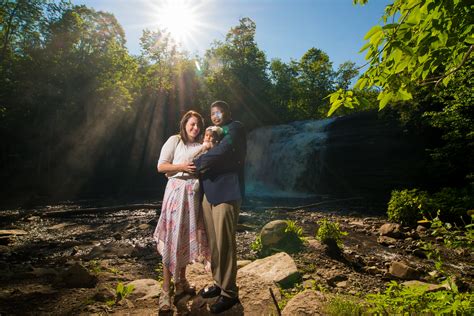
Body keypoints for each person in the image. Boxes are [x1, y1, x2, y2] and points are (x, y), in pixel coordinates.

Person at [153, 110, 210, 312]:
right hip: (176, 195)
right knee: (172, 240)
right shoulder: (175, 141)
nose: (195, 128)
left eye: (198, 125)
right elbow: (161, 167)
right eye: (192, 124)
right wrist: (183, 167)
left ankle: (181, 283)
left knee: (184, 238)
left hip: (193, 197)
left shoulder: (202, 146)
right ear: (185, 124)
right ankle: (165, 290)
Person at [193, 101, 247, 314]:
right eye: (212, 113)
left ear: (227, 112)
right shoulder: (210, 133)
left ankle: (229, 294)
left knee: (225, 243)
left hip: (227, 190)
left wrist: (195, 164)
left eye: (219, 112)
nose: (215, 116)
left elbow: (223, 151)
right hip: (209, 192)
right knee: (214, 242)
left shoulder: (235, 127)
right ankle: (219, 282)